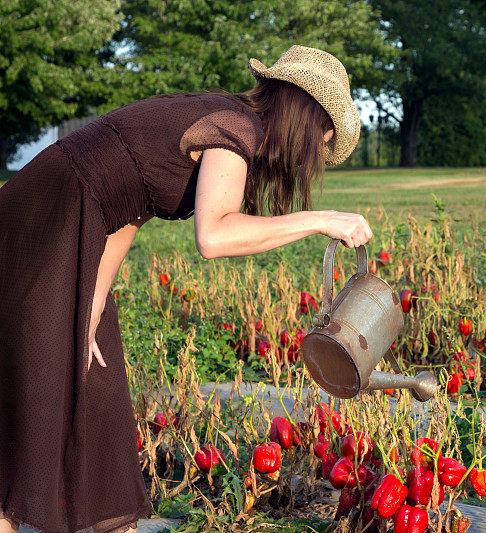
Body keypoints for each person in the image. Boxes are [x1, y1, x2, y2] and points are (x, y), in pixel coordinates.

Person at [0, 45, 372, 533]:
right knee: (40, 398)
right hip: (47, 216)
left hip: (79, 223)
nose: (314, 156)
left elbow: (130, 205)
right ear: (306, 116)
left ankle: (112, 525)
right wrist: (320, 219)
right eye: (321, 141)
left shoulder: (223, 121)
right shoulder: (235, 128)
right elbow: (214, 236)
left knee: (96, 384)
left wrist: (92, 298)